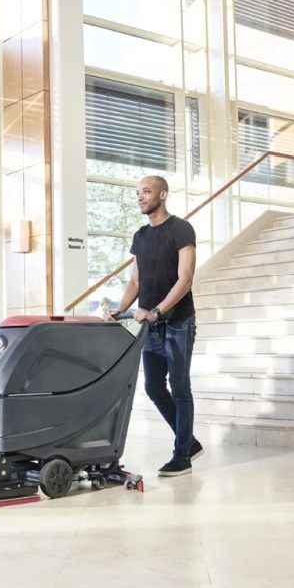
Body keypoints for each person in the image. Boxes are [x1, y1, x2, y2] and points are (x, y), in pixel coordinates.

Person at [106, 175, 202, 476]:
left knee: (180, 386)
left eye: (146, 192)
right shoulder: (140, 236)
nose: (140, 197)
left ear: (162, 195)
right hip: (151, 325)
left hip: (177, 323)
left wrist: (157, 311)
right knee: (153, 387)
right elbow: (135, 280)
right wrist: (119, 309)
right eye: (138, 193)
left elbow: (185, 279)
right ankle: (189, 441)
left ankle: (182, 455)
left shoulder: (181, 229)